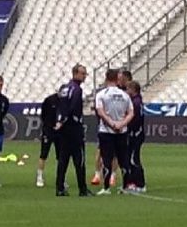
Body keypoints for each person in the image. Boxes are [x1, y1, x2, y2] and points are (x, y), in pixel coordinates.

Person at [55, 64, 93, 197]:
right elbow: (72, 107)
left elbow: (59, 106)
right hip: (74, 128)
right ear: (75, 73)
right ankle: (82, 189)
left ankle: (59, 188)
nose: (84, 76)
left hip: (64, 129)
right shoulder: (77, 90)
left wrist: (59, 121)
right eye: (83, 74)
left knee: (63, 159)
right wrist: (67, 119)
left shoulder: (63, 88)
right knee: (79, 159)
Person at [95, 69, 134, 195]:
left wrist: (111, 123)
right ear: (117, 79)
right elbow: (131, 113)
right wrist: (121, 124)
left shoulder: (101, 94)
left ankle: (106, 188)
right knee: (123, 160)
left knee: (107, 159)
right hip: (122, 131)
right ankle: (125, 187)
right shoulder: (125, 95)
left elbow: (100, 112)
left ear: (106, 78)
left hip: (106, 131)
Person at [36, 92, 60, 188]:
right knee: (44, 154)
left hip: (59, 131)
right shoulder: (49, 100)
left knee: (61, 156)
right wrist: (48, 126)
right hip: (48, 131)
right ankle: (39, 176)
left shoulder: (64, 101)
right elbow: (43, 115)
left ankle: (61, 178)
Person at [126, 81, 146, 193]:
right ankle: (133, 183)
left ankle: (140, 184)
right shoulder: (138, 101)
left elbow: (135, 120)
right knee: (131, 158)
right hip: (136, 134)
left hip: (136, 134)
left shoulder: (135, 103)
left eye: (128, 89)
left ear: (133, 89)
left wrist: (130, 130)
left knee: (134, 159)